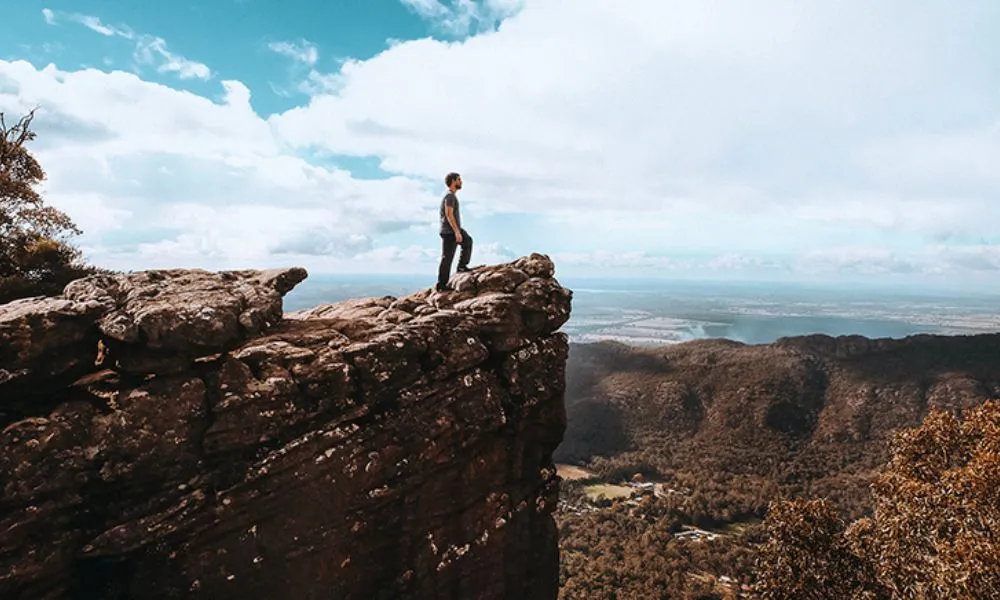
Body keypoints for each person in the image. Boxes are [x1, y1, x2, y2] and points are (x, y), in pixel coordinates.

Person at [436, 172, 473, 291]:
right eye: (459, 179)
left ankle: (462, 266)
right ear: (453, 181)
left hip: (451, 230)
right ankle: (441, 285)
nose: (461, 182)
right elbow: (449, 214)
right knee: (447, 258)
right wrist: (457, 231)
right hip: (449, 231)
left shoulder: (451, 196)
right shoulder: (450, 196)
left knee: (467, 241)